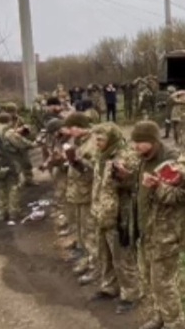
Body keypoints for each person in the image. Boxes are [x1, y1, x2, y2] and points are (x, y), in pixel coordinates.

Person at [130, 121, 185, 329]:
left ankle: (175, 323)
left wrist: (158, 187)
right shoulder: (143, 159)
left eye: (140, 142)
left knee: (163, 282)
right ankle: (160, 316)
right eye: (134, 142)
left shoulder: (172, 161)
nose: (135, 146)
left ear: (153, 141)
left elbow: (183, 196)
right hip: (147, 228)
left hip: (166, 231)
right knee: (149, 277)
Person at [90, 123, 140, 314]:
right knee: (105, 254)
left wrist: (123, 176)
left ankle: (131, 293)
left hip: (119, 215)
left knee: (122, 257)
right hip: (101, 212)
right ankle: (109, 287)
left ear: (111, 139)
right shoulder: (101, 156)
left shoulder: (126, 155)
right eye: (96, 138)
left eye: (101, 139)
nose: (97, 142)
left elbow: (134, 183)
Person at [0, 113, 38, 225]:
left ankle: (1, 213)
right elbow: (22, 144)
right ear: (10, 121)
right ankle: (14, 212)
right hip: (9, 162)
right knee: (13, 187)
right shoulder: (9, 132)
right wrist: (34, 143)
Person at [62, 112, 99, 282]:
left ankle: (95, 267)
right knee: (82, 231)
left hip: (87, 192)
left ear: (79, 127)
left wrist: (77, 162)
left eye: (71, 127)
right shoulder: (80, 142)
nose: (69, 131)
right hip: (78, 192)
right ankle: (86, 259)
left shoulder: (92, 144)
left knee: (89, 231)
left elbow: (95, 170)